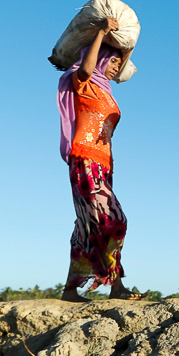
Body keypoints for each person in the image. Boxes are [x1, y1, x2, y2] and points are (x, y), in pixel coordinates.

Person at [56, 18, 143, 302]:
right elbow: (86, 69)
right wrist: (102, 32)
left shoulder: (106, 91)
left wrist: (123, 49)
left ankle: (71, 290)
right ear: (101, 58)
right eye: (113, 60)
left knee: (87, 226)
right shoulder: (83, 83)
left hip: (102, 165)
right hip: (83, 159)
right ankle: (115, 286)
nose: (117, 65)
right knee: (113, 220)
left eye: (120, 62)